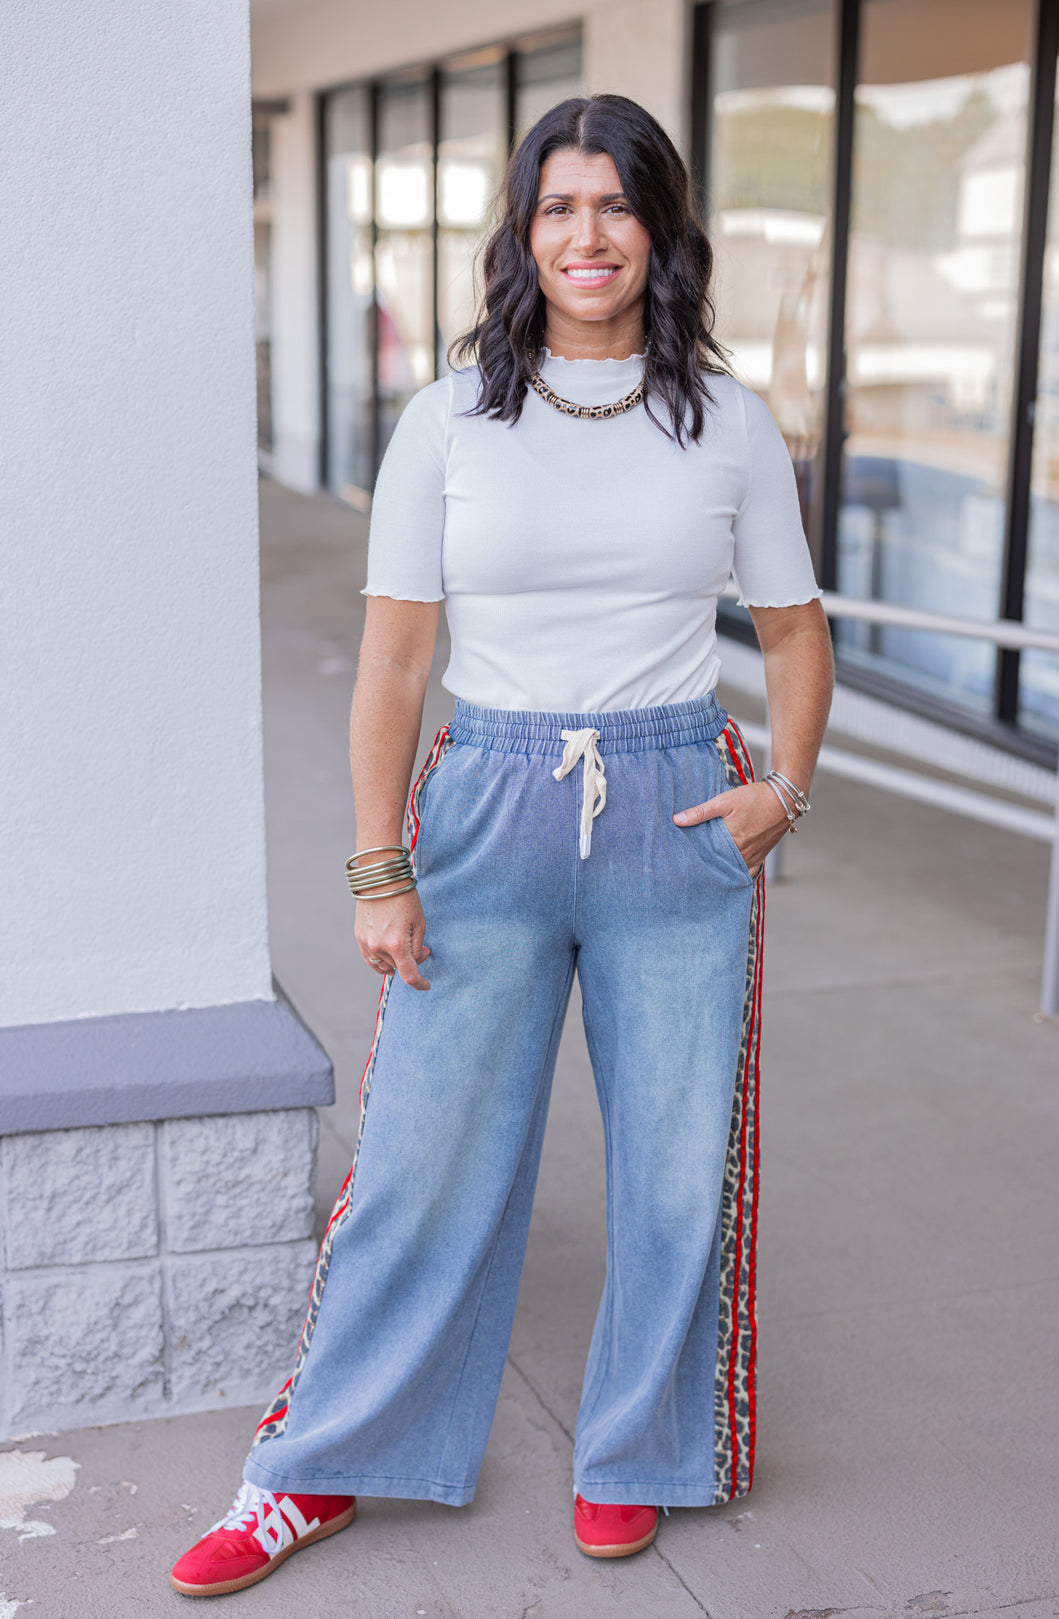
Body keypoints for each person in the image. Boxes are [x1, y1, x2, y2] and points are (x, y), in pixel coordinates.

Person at [170, 93, 834, 1598]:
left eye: (615, 205)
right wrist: (374, 864)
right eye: (558, 208)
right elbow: (398, 662)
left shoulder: (724, 420)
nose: (587, 236)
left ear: (659, 227)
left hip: (677, 809)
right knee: (418, 1162)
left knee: (678, 1165)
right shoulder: (454, 415)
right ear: (523, 234)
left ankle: (642, 1451)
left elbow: (795, 634)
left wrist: (784, 790)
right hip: (487, 806)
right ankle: (316, 1470)